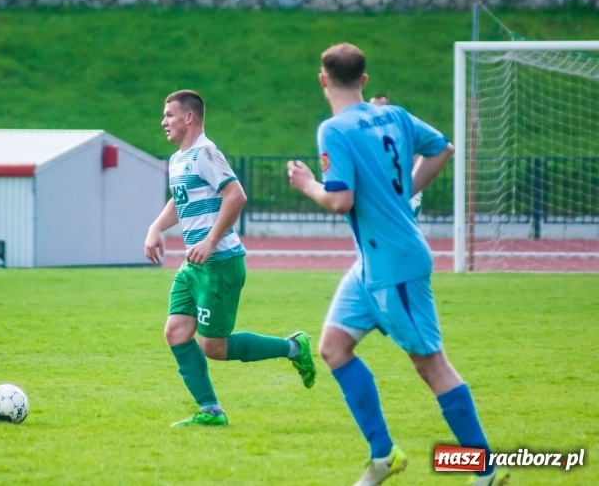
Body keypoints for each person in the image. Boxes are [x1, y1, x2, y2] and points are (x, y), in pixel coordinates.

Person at [286, 44, 509, 486]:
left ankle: (486, 469)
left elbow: (340, 199)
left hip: (395, 263)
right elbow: (443, 148)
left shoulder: (335, 129)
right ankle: (383, 455)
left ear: (322, 79)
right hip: (371, 264)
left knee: (431, 364)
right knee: (332, 347)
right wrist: (400, 193)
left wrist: (308, 184)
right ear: (365, 79)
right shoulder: (395, 115)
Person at [145, 89, 317, 427]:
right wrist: (156, 228)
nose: (163, 121)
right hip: (195, 265)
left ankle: (294, 347)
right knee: (176, 331)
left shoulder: (205, 153)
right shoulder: (180, 159)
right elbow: (180, 201)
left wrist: (210, 241)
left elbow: (236, 195)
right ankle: (211, 412)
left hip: (219, 262)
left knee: (213, 346)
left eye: (169, 114)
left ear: (189, 117)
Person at [368, 93, 423, 217]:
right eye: (373, 108)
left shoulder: (400, 132)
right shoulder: (365, 133)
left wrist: (415, 192)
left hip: (400, 195)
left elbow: (418, 158)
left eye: (381, 108)